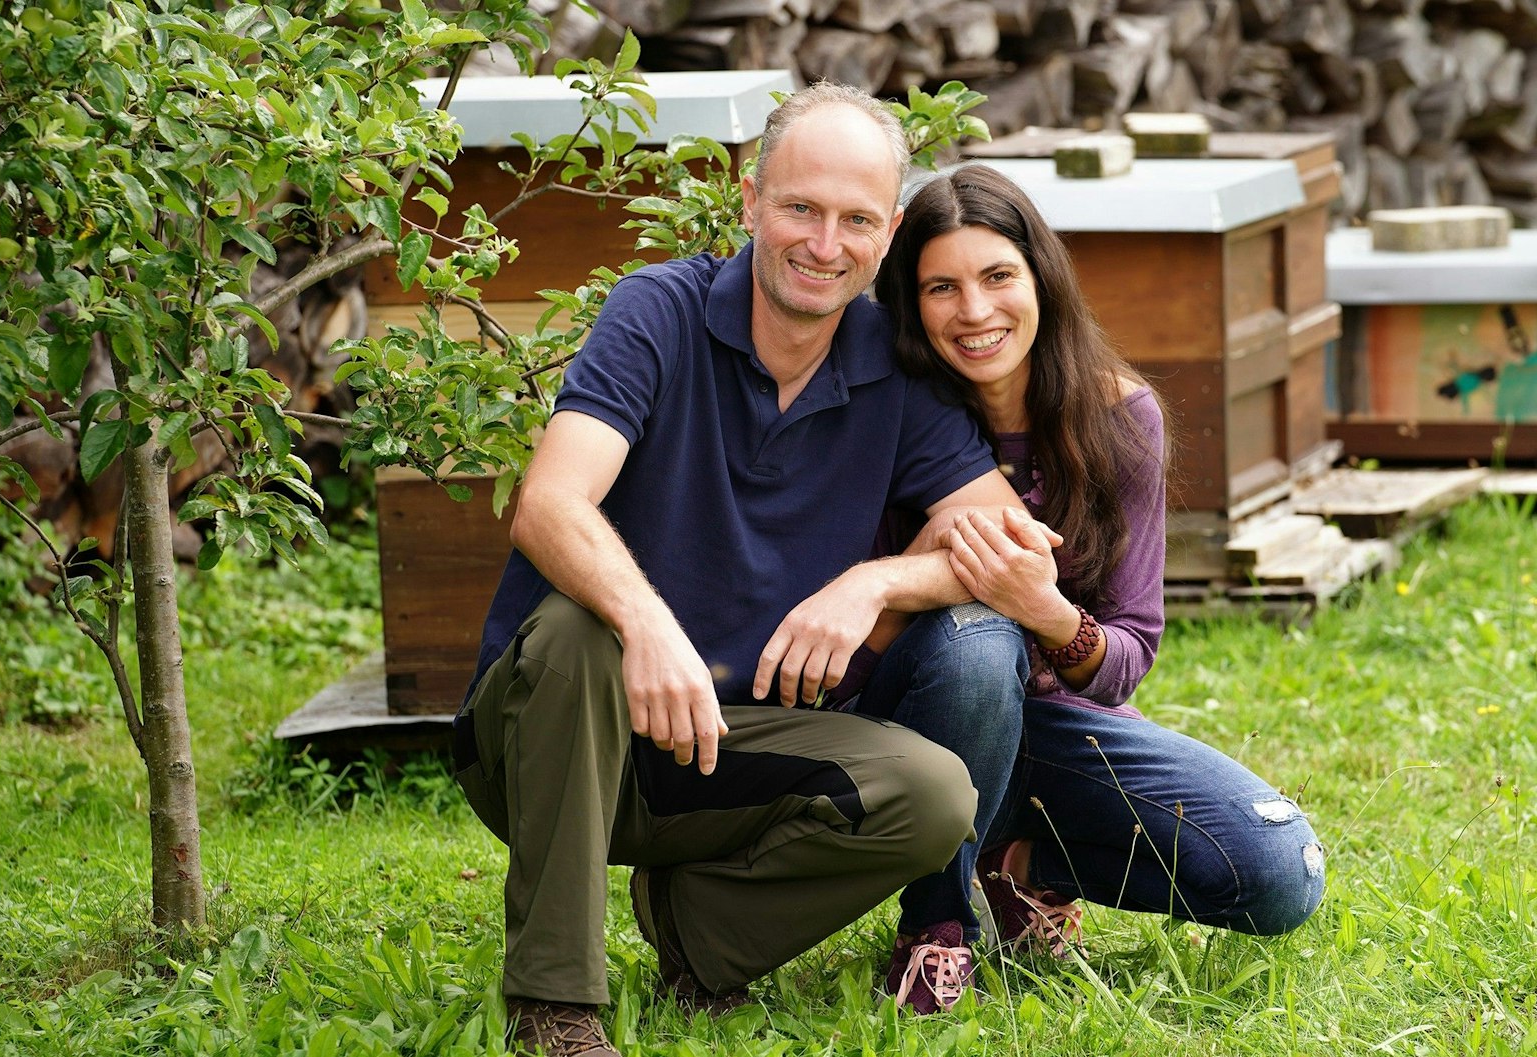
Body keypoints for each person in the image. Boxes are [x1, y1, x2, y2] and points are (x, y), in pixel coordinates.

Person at [453, 88, 1041, 1057]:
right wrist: (644, 626)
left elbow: (1008, 543)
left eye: (856, 219)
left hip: (724, 744)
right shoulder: (657, 312)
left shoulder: (890, 368)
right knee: (574, 629)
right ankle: (554, 1004)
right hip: (546, 736)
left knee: (932, 795)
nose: (824, 242)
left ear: (888, 232)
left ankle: (699, 936)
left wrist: (874, 584)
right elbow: (547, 504)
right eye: (800, 208)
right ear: (749, 200)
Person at [862, 164, 1326, 1012]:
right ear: (910, 300)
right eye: (941, 286)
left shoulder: (1120, 420)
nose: (974, 311)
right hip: (913, 715)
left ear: (1042, 275)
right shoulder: (888, 414)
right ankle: (935, 927)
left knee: (1280, 871)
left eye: (998, 276)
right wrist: (946, 579)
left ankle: (1021, 864)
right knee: (975, 640)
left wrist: (1043, 606)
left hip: (1058, 728)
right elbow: (861, 642)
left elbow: (1126, 659)